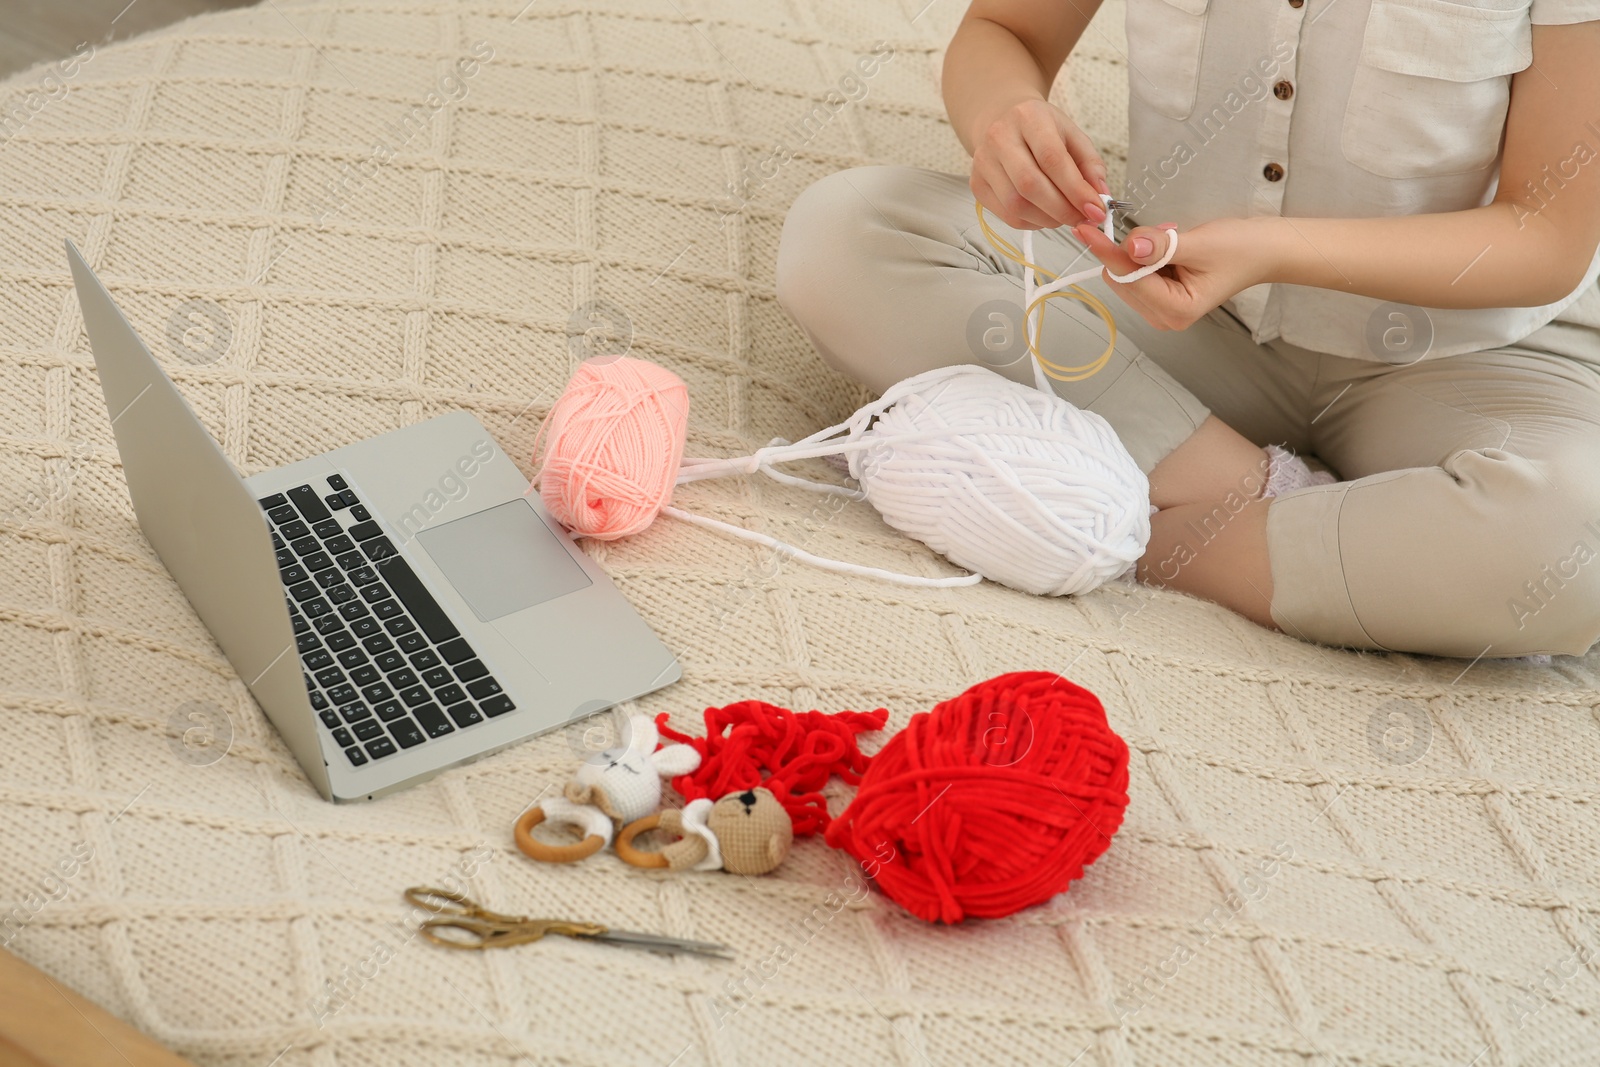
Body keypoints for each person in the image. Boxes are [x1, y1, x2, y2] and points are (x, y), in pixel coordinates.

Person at [775, 0, 1600, 659]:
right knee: (848, 233)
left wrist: (1272, 249)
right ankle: (1280, 510)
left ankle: (1165, 529)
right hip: (1181, 307)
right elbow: (1003, 31)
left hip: (1471, 354)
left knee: (1578, 545)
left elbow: (1547, 236)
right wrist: (1007, 117)